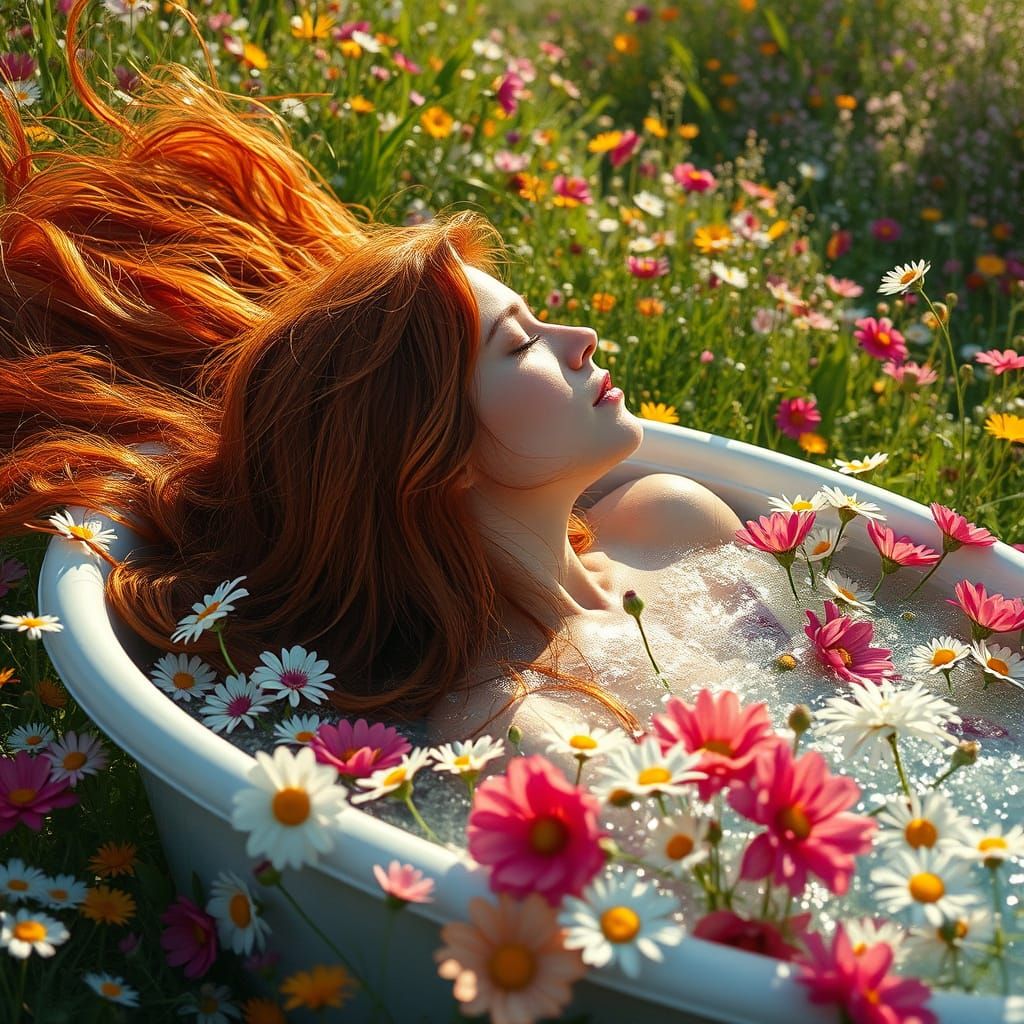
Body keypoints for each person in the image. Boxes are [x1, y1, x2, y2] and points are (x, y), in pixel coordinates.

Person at [0, 11, 747, 755]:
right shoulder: (511, 723)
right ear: (431, 455)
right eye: (520, 345)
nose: (580, 340)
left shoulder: (673, 525)